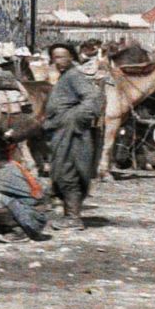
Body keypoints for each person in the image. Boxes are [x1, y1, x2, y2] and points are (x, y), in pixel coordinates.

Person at [42, 40, 104, 228]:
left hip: (72, 133)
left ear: (71, 57)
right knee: (62, 170)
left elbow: (92, 98)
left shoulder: (74, 76)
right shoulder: (66, 76)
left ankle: (74, 218)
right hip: (61, 131)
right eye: (54, 58)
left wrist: (74, 119)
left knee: (69, 171)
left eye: (61, 56)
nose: (58, 61)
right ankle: (69, 214)